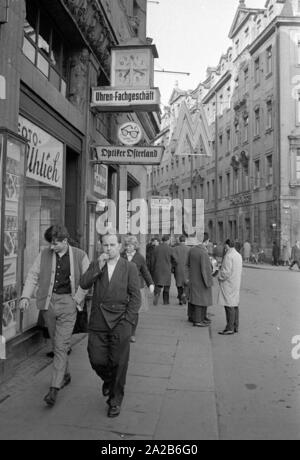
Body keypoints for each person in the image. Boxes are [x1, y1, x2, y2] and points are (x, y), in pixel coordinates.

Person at [19, 225, 90, 407]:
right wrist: (26, 296)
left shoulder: (80, 255)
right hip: (48, 304)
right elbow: (33, 275)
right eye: (50, 243)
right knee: (55, 341)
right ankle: (65, 374)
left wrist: (77, 299)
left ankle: (54, 388)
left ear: (65, 241)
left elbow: (88, 279)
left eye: (55, 243)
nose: (52, 247)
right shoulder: (44, 254)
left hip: (69, 303)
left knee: (60, 345)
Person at [80, 233, 141, 418]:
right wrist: (97, 266)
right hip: (99, 321)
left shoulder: (129, 267)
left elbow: (135, 297)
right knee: (96, 358)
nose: (108, 248)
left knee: (118, 363)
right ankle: (108, 380)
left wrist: (128, 321)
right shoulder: (97, 264)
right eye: (105, 245)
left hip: (120, 322)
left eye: (112, 244)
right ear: (101, 246)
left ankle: (115, 400)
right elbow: (83, 283)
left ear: (120, 246)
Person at [122, 235, 154, 343]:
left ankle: (132, 333)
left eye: (130, 245)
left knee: (135, 311)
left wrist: (150, 283)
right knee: (123, 309)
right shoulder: (121, 256)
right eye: (127, 245)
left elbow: (145, 272)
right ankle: (124, 330)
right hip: (123, 287)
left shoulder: (140, 258)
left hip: (137, 287)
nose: (128, 247)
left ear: (135, 246)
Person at [186, 236, 214, 327]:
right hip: (201, 280)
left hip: (193, 278)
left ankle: (192, 316)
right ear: (206, 241)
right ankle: (198, 320)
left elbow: (187, 264)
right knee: (201, 300)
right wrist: (209, 281)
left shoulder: (192, 249)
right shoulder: (203, 252)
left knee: (193, 299)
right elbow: (205, 269)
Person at [218, 239, 243, 335]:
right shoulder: (238, 255)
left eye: (225, 246)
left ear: (227, 245)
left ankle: (229, 327)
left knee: (229, 305)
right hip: (236, 282)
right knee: (235, 304)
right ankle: (235, 326)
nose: (224, 248)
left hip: (228, 283)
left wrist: (219, 277)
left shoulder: (228, 256)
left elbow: (226, 272)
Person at [151, 235, 177, 306]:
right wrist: (172, 266)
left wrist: (152, 269)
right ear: (168, 240)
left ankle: (156, 294)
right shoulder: (170, 249)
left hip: (157, 269)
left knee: (158, 284)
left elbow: (152, 260)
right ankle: (166, 301)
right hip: (167, 269)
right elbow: (175, 259)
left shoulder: (156, 248)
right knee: (166, 286)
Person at [172, 235, 190, 305]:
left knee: (179, 284)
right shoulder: (189, 249)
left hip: (178, 269)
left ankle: (180, 298)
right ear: (185, 240)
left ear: (179, 240)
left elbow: (172, 259)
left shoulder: (174, 249)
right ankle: (184, 295)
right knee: (186, 283)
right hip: (186, 269)